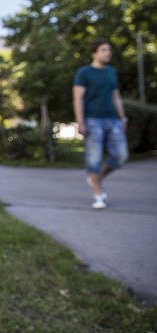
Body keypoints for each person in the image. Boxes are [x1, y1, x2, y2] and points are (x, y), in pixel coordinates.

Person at [73, 39, 128, 209]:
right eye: (104, 50)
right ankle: (98, 195)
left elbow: (116, 96)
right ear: (94, 53)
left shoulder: (111, 72)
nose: (108, 53)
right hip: (92, 120)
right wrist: (80, 122)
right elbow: (78, 98)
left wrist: (123, 117)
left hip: (112, 119)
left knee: (120, 156)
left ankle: (96, 178)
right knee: (94, 159)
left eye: (109, 50)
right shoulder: (84, 72)